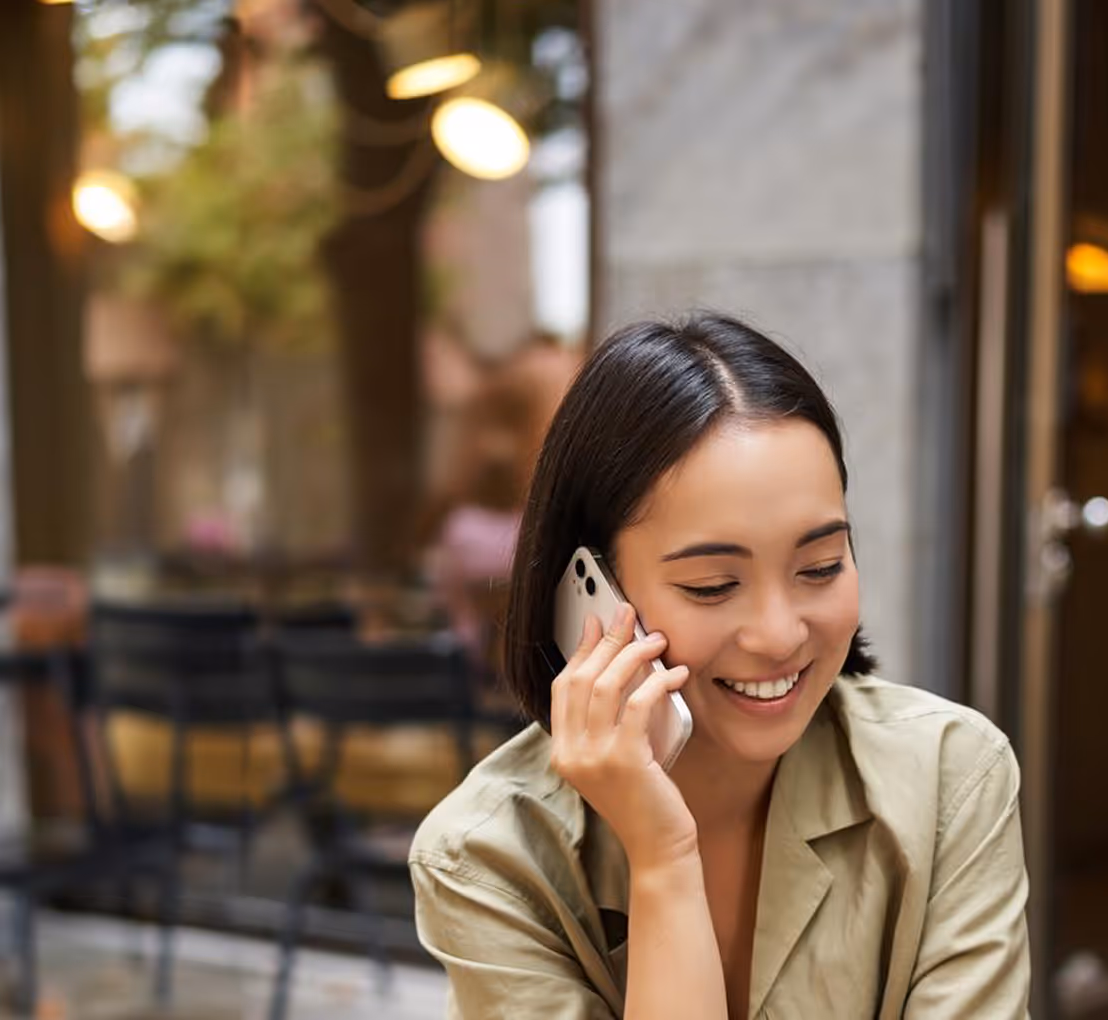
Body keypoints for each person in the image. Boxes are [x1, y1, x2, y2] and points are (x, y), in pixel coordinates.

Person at [409, 313, 1030, 1018]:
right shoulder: (488, 858)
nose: (778, 633)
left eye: (820, 567)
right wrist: (663, 860)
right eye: (712, 585)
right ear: (588, 591)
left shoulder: (950, 775)